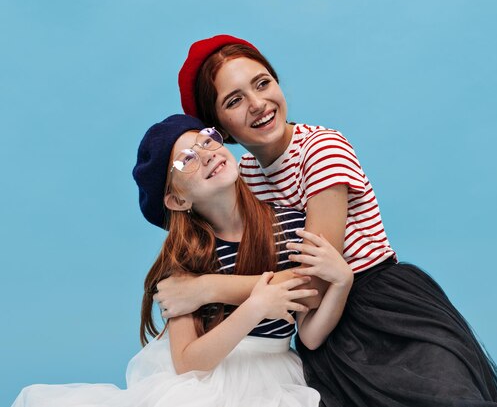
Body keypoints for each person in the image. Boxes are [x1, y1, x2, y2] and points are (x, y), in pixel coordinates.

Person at [152, 34, 497, 407]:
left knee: (447, 398)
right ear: (218, 127)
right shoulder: (245, 176)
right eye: (234, 100)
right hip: (323, 334)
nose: (258, 104)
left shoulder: (322, 149)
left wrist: (205, 288)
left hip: (383, 307)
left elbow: (310, 285)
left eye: (263, 83)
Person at [12, 114, 355, 407]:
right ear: (176, 199)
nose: (205, 154)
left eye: (206, 140)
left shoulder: (291, 226)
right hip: (206, 378)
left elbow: (309, 335)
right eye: (186, 159)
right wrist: (255, 307)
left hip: (278, 375)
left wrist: (342, 283)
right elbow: (188, 361)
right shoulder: (189, 258)